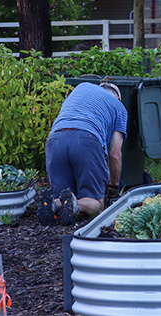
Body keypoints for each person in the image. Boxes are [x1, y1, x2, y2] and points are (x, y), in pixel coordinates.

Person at [38, 81, 127, 226]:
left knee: (64, 196)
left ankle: (54, 204)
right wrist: (113, 186)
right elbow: (115, 154)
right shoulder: (118, 107)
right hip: (86, 140)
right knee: (96, 203)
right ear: (117, 98)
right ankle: (76, 205)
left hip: (54, 141)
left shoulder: (81, 87)